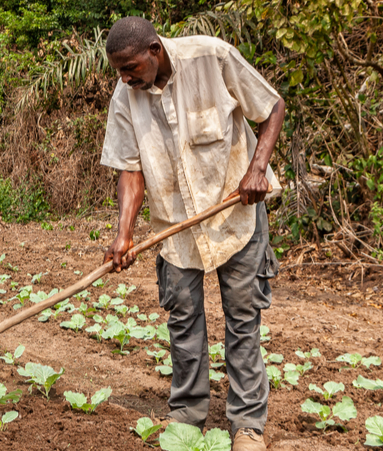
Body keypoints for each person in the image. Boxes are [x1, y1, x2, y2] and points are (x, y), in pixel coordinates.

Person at [99, 16, 284, 451]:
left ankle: (248, 426)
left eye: (131, 68)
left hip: (235, 218)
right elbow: (130, 169)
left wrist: (257, 169)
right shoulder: (125, 96)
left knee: (243, 322)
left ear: (154, 51)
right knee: (184, 325)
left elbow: (271, 107)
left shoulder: (211, 57)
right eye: (119, 72)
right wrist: (123, 235)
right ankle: (187, 416)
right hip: (175, 231)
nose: (125, 78)